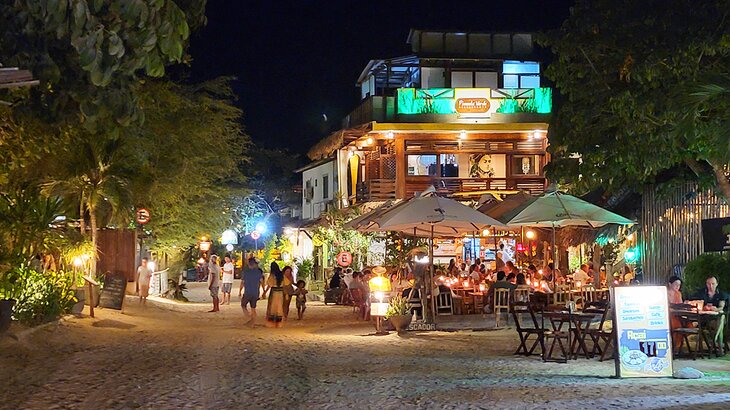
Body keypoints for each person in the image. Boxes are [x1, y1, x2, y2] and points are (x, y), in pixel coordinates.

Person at [239, 257, 264, 328]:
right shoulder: (259, 272)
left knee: (243, 305)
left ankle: (249, 317)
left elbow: (242, 282)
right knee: (253, 307)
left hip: (248, 291)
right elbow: (262, 281)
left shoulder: (246, 272)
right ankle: (252, 323)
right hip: (256, 292)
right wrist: (263, 290)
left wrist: (240, 291)